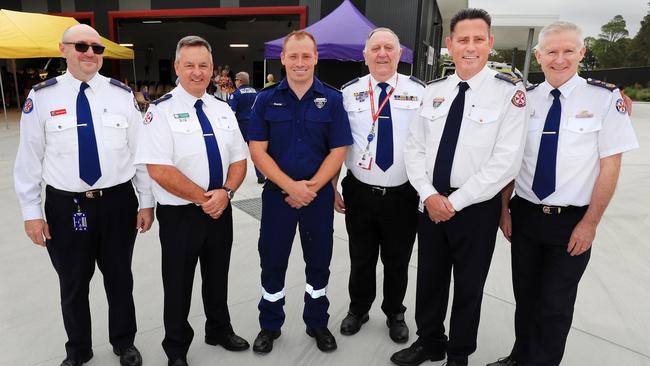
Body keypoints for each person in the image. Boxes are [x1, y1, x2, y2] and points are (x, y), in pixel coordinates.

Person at [487, 21, 639, 366]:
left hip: (571, 222)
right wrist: (505, 210)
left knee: (555, 305)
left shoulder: (604, 99)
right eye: (551, 51)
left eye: (568, 50)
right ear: (538, 56)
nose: (559, 58)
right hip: (525, 214)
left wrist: (590, 223)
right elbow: (512, 160)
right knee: (525, 296)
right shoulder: (524, 99)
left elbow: (610, 167)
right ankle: (520, 355)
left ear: (581, 53)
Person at [392, 8, 528, 366]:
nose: (470, 47)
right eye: (463, 40)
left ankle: (459, 353)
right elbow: (414, 148)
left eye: (478, 40)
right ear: (449, 45)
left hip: (475, 209)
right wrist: (429, 195)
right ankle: (430, 342)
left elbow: (506, 161)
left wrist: (456, 202)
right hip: (431, 202)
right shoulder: (434, 91)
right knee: (430, 280)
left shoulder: (509, 94)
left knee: (469, 287)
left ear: (490, 44)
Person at [13, 24, 154, 366]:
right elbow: (29, 159)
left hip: (119, 202)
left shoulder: (121, 95)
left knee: (120, 278)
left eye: (97, 47)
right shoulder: (42, 97)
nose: (90, 52)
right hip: (67, 205)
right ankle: (78, 349)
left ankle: (124, 342)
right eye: (82, 46)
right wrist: (32, 212)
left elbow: (140, 154)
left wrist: (146, 201)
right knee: (73, 284)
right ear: (63, 49)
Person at [134, 36, 250, 366]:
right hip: (181, 215)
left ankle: (218, 330)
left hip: (220, 209)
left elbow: (239, 159)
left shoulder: (223, 109)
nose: (197, 72)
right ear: (177, 68)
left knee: (218, 276)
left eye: (203, 65)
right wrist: (205, 198)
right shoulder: (160, 112)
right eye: (189, 65)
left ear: (213, 70)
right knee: (178, 284)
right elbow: (158, 169)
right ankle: (176, 348)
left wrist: (225, 193)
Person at [248, 30, 352, 354]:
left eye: (306, 56)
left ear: (316, 58)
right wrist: (289, 186)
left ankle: (317, 322)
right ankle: (270, 325)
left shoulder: (333, 100)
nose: (300, 62)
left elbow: (339, 150)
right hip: (278, 196)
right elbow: (258, 151)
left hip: (317, 197)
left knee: (319, 261)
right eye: (293, 56)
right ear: (282, 59)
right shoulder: (265, 99)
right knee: (273, 260)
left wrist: (311, 188)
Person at [336, 27, 423, 344]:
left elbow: (430, 144)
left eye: (389, 47)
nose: (383, 53)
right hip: (359, 192)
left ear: (400, 54)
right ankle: (358, 309)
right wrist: (332, 185)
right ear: (365, 55)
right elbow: (338, 144)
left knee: (398, 260)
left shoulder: (421, 92)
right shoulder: (348, 93)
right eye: (376, 48)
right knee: (360, 258)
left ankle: (395, 312)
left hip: (403, 194)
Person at [229, 71, 265, 183]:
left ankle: (231, 178)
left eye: (235, 80)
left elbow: (231, 112)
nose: (235, 82)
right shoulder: (257, 92)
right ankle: (260, 176)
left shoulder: (236, 94)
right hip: (254, 125)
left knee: (234, 153)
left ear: (240, 81)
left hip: (240, 126)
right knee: (256, 152)